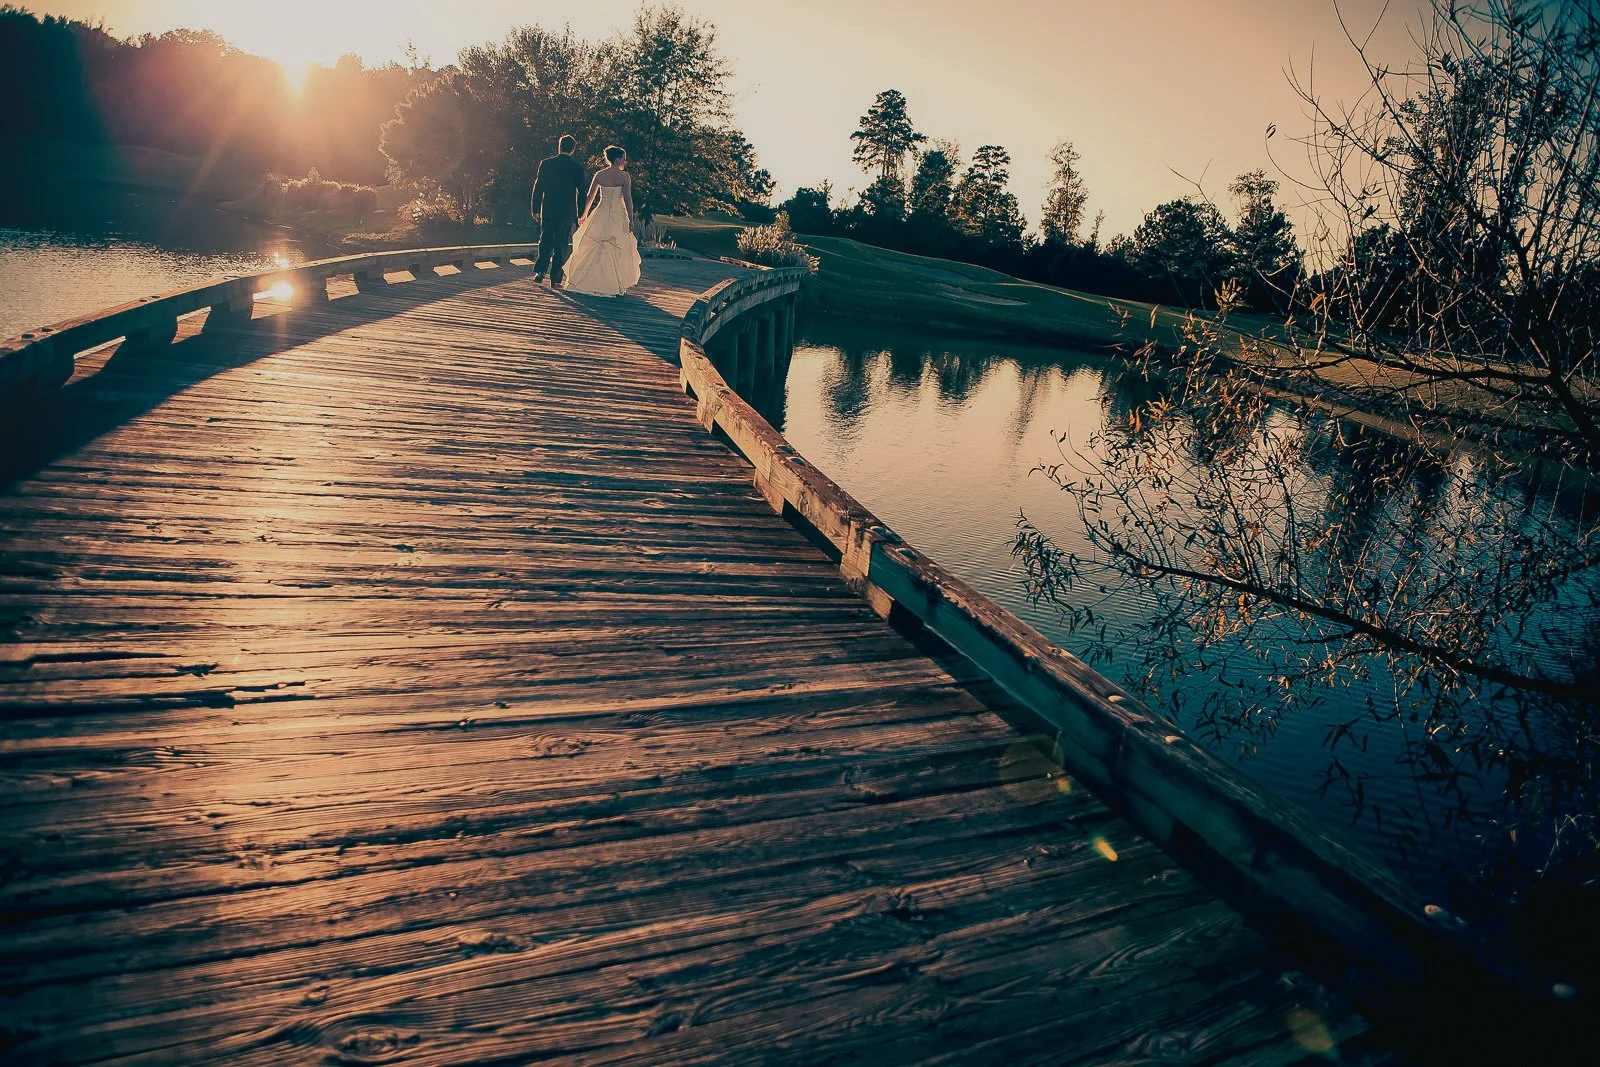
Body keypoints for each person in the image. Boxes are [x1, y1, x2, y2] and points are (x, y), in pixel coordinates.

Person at [562, 145, 642, 297]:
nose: (625, 162)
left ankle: (589, 281)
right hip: (617, 214)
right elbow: (627, 199)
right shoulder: (624, 177)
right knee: (616, 246)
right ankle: (612, 284)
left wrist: (583, 215)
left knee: (594, 245)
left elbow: (590, 197)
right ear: (617, 159)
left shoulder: (600, 174)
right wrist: (631, 219)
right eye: (624, 159)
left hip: (601, 212)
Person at [529, 134, 585, 286]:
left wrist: (535, 208)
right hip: (566, 211)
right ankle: (555, 279)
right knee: (562, 244)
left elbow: (538, 186)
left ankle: (540, 271)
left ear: (559, 147)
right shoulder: (577, 168)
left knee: (545, 240)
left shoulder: (546, 164)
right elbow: (582, 192)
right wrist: (581, 214)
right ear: (573, 150)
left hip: (548, 209)